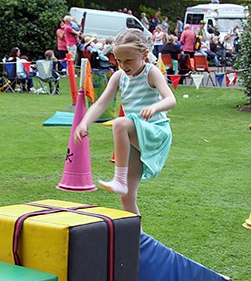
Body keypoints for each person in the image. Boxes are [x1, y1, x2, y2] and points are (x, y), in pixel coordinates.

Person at [73, 28, 176, 215]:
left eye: (128, 60)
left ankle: (119, 179)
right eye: (119, 61)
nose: (123, 65)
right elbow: (101, 103)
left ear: (144, 54)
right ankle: (136, 241)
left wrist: (155, 107)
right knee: (127, 198)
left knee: (120, 123)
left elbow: (171, 99)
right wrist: (84, 122)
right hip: (135, 136)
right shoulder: (119, 77)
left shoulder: (151, 72)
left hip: (156, 132)